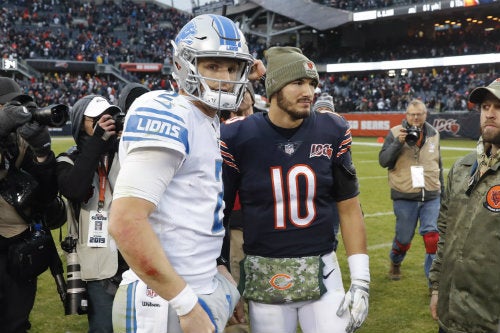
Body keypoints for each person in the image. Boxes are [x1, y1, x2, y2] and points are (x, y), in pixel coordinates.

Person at [108, 14, 265, 333]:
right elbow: (126, 222)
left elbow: (193, 211)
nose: (225, 78)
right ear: (184, 65)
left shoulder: (206, 118)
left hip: (195, 283)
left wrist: (217, 270)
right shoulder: (168, 111)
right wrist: (186, 305)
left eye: (232, 67)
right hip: (162, 298)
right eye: (213, 66)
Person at [221, 46, 370, 333]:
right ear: (274, 87)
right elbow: (220, 215)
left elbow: (350, 209)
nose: (309, 91)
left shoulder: (332, 130)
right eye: (298, 82)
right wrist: (221, 269)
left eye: (312, 83)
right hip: (265, 271)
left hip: (323, 269)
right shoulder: (238, 135)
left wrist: (361, 280)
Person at [56, 87, 148, 332]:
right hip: (99, 263)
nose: (105, 123)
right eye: (97, 119)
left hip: (136, 254)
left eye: (110, 117)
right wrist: (96, 143)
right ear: (80, 124)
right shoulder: (69, 159)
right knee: (103, 327)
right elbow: (74, 189)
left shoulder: (124, 152)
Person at [429, 78, 500, 332]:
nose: (489, 114)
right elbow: (446, 233)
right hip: (451, 315)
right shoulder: (461, 167)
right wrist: (437, 287)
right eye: (485, 107)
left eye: (498, 107)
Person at [0, 77, 62, 333]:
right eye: (10, 107)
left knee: (15, 323)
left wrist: (43, 154)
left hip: (18, 242)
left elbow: (45, 196)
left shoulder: (20, 142)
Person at [379, 99, 443, 284]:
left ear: (426, 114)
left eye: (419, 114)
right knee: (404, 238)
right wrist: (398, 143)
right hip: (404, 194)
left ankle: (434, 282)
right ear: (406, 116)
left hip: (431, 194)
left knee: (432, 236)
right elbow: (383, 161)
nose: (416, 117)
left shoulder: (434, 133)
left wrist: (443, 192)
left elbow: (438, 163)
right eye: (412, 114)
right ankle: (396, 261)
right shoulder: (394, 133)